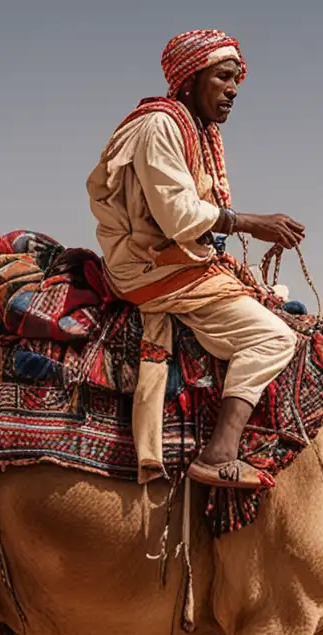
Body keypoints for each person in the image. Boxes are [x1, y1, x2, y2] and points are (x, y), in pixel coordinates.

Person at [87, 30, 306, 489]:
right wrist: (250, 223)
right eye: (223, 77)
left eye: (236, 81)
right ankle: (220, 452)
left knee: (275, 300)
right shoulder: (160, 128)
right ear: (190, 78)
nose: (233, 90)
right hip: (148, 269)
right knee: (274, 339)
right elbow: (180, 216)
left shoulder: (194, 130)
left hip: (177, 260)